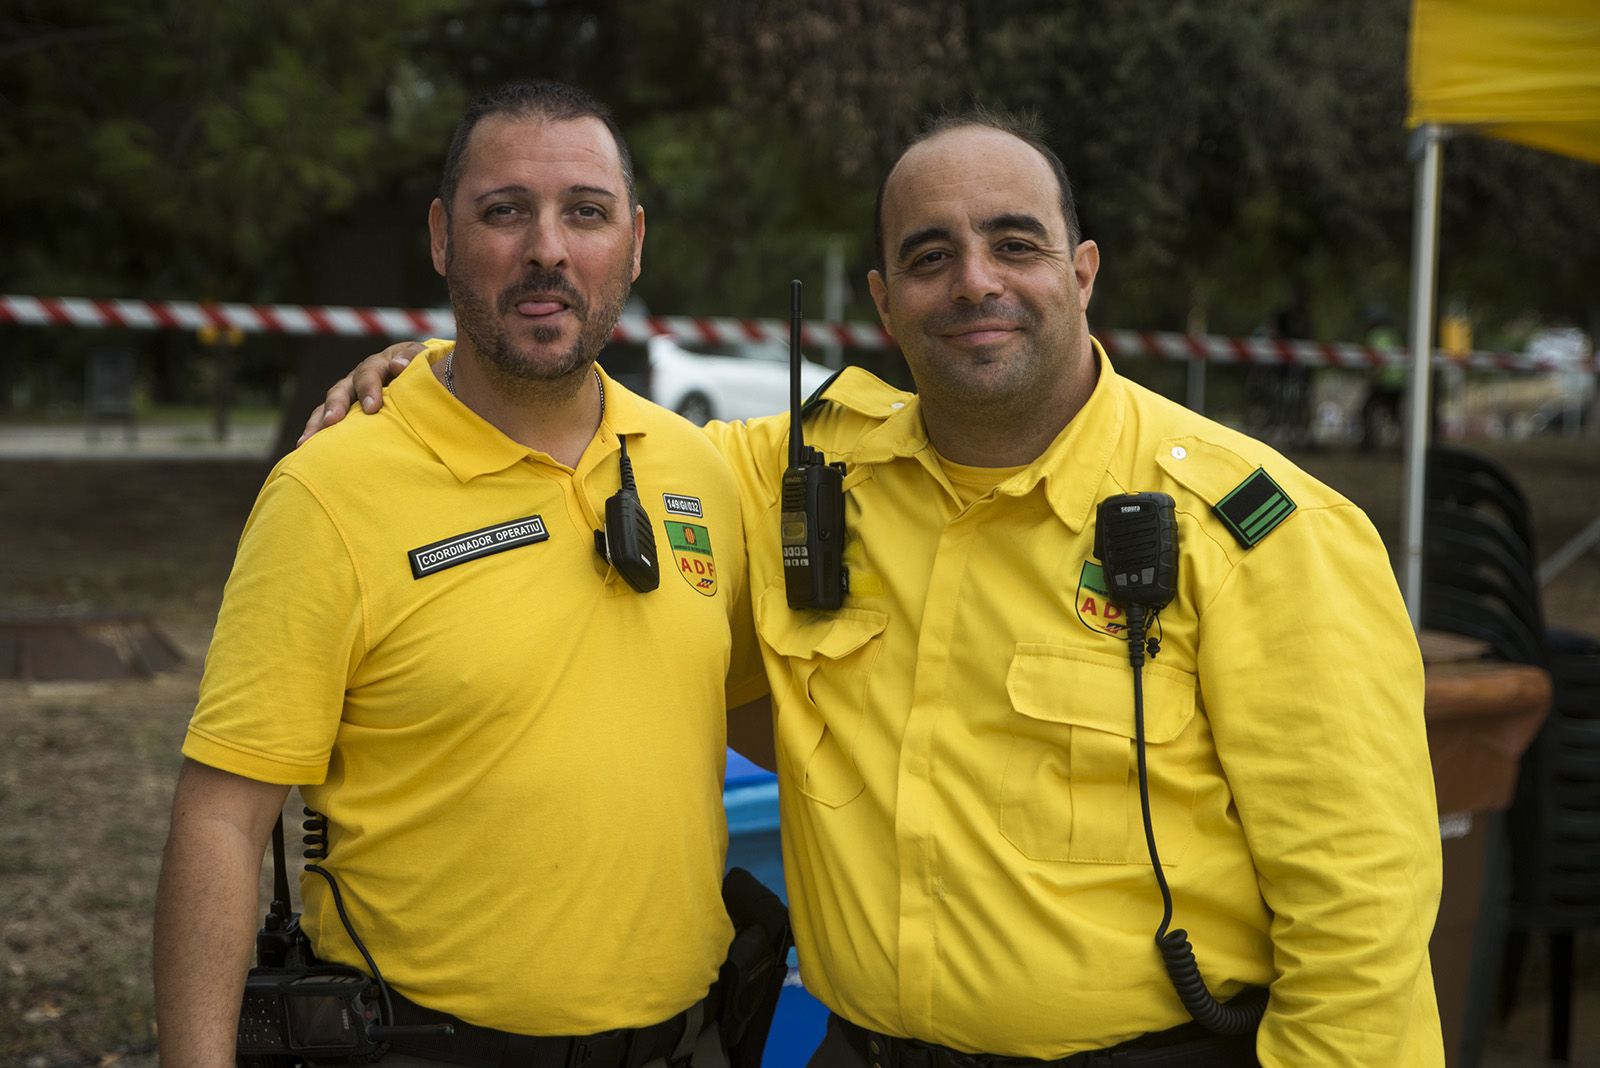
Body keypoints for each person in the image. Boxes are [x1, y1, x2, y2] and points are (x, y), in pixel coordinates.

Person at [308, 109, 1444, 1066]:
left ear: (1083, 271)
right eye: (930, 254)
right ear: (883, 300)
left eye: (1015, 243)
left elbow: (1360, 933)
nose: (975, 283)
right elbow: (577, 427)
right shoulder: (783, 476)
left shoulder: (1261, 532)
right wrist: (434, 376)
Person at [153, 81, 777, 1068]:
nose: (547, 249)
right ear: (442, 238)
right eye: (504, 211)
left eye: (585, 212)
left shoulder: (697, 467)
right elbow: (223, 819)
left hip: (684, 1041)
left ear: (635, 242)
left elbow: (739, 708)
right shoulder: (332, 488)